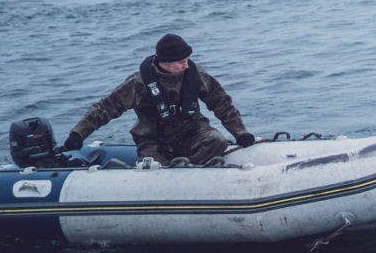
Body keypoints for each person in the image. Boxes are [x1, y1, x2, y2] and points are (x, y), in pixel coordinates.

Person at [62, 33, 257, 166]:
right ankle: (171, 176)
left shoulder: (196, 75)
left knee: (217, 140)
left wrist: (240, 132)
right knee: (153, 169)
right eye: (181, 62)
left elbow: (222, 103)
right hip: (153, 140)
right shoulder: (138, 83)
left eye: (187, 60)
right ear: (166, 63)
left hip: (192, 133)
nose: (186, 65)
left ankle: (188, 171)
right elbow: (105, 108)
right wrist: (78, 134)